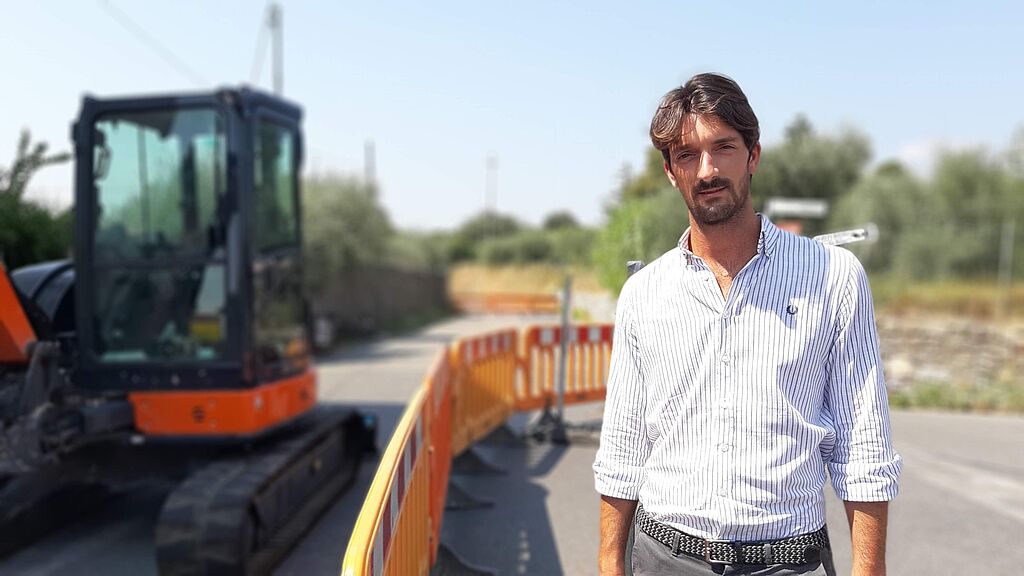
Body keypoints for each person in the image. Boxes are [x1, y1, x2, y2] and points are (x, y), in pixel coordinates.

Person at [592, 73, 901, 576]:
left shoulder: (833, 278)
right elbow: (623, 449)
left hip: (786, 561)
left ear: (753, 155)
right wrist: (610, 563)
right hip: (663, 558)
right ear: (670, 172)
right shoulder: (643, 295)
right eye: (687, 155)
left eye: (724, 147)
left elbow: (863, 447)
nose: (707, 170)